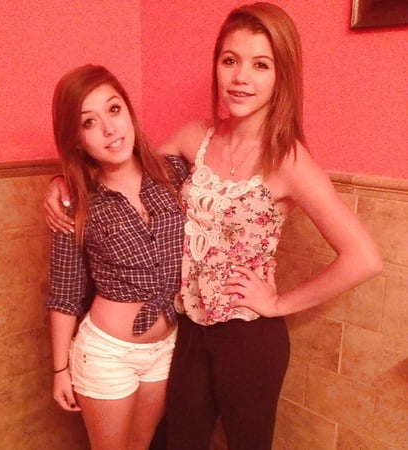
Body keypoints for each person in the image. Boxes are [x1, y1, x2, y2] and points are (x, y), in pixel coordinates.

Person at [44, 4, 382, 449]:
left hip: (248, 335)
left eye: (260, 65)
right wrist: (62, 181)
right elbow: (125, 172)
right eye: (230, 60)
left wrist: (279, 303)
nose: (241, 77)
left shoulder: (289, 160)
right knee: (177, 442)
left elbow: (364, 258)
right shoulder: (194, 139)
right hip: (186, 330)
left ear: (282, 75)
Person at [46, 64, 188, 450]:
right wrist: (60, 370)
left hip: (166, 347)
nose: (109, 129)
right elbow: (64, 294)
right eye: (89, 122)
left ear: (128, 110)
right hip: (107, 353)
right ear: (76, 139)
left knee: (141, 445)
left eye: (113, 109)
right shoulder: (75, 202)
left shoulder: (174, 173)